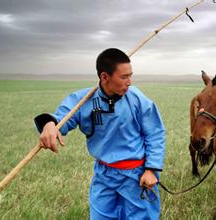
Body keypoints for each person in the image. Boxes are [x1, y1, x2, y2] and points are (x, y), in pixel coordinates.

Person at [34, 48, 166, 219]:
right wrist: (50, 125)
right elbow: (61, 120)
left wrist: (151, 169)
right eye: (124, 77)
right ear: (104, 77)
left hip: (136, 175)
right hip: (104, 175)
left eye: (130, 76)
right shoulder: (83, 101)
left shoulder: (137, 99)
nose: (129, 82)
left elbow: (155, 133)